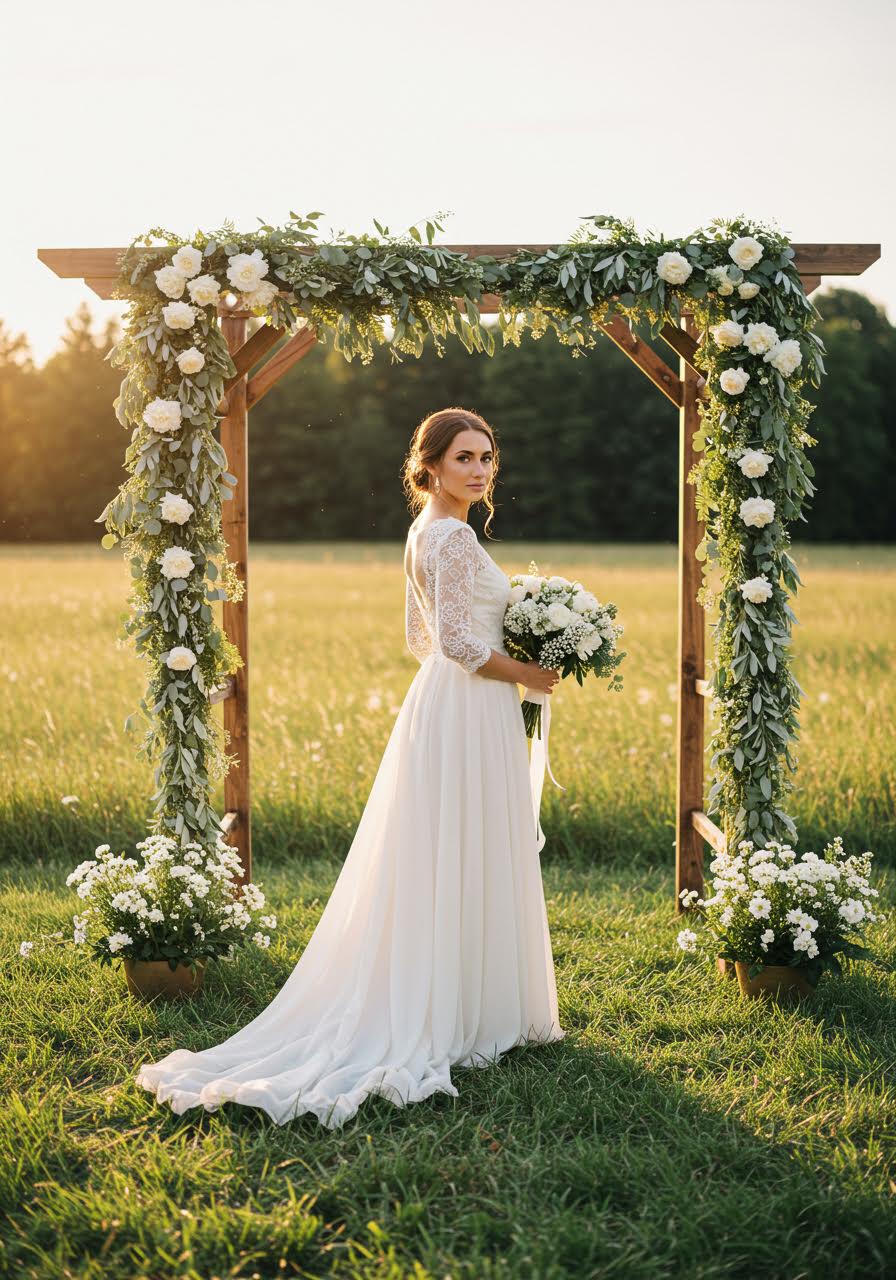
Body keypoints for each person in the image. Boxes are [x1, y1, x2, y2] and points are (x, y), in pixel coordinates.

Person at [135, 406, 566, 1129]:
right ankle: (466, 1012)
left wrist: (505, 654)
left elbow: (417, 639)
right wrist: (528, 669)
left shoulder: (423, 532)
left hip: (445, 705)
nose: (481, 469)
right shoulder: (454, 538)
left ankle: (455, 998)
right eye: (465, 457)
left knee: (440, 850)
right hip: (468, 703)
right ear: (428, 466)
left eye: (488, 457)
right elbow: (458, 644)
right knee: (463, 844)